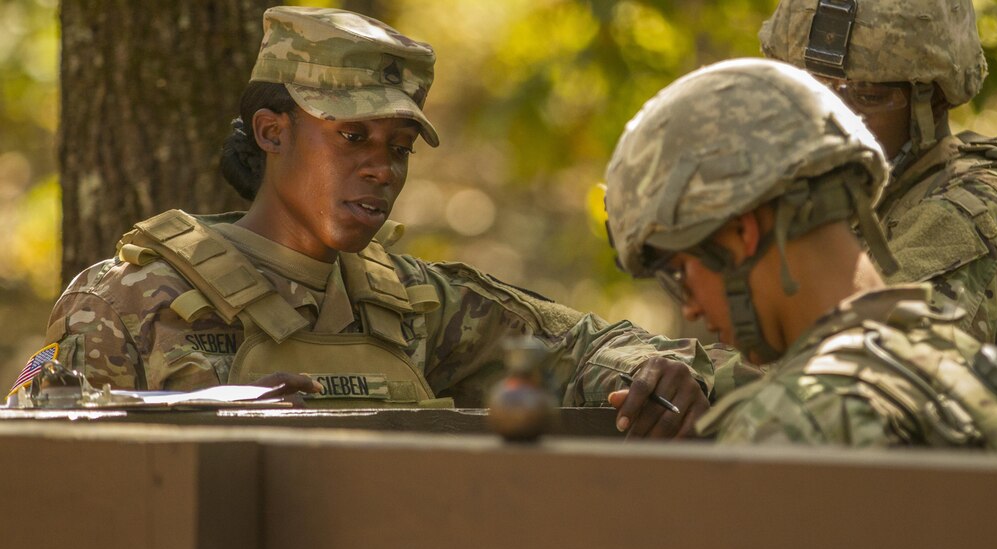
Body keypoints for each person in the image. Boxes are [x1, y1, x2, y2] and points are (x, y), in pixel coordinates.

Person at [32, 6, 751, 437]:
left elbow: (594, 346)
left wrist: (662, 377)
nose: (382, 169)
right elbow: (45, 477)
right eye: (352, 138)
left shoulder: (411, 306)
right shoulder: (128, 300)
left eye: (398, 149)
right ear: (272, 132)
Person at [604, 57, 997, 456]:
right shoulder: (981, 374)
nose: (689, 307)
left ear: (742, 233)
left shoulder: (799, 418)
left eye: (680, 273)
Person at [759, 0, 997, 421]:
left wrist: (692, 375)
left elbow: (849, 379)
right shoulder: (849, 208)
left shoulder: (973, 212)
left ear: (930, 104)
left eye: (866, 96)